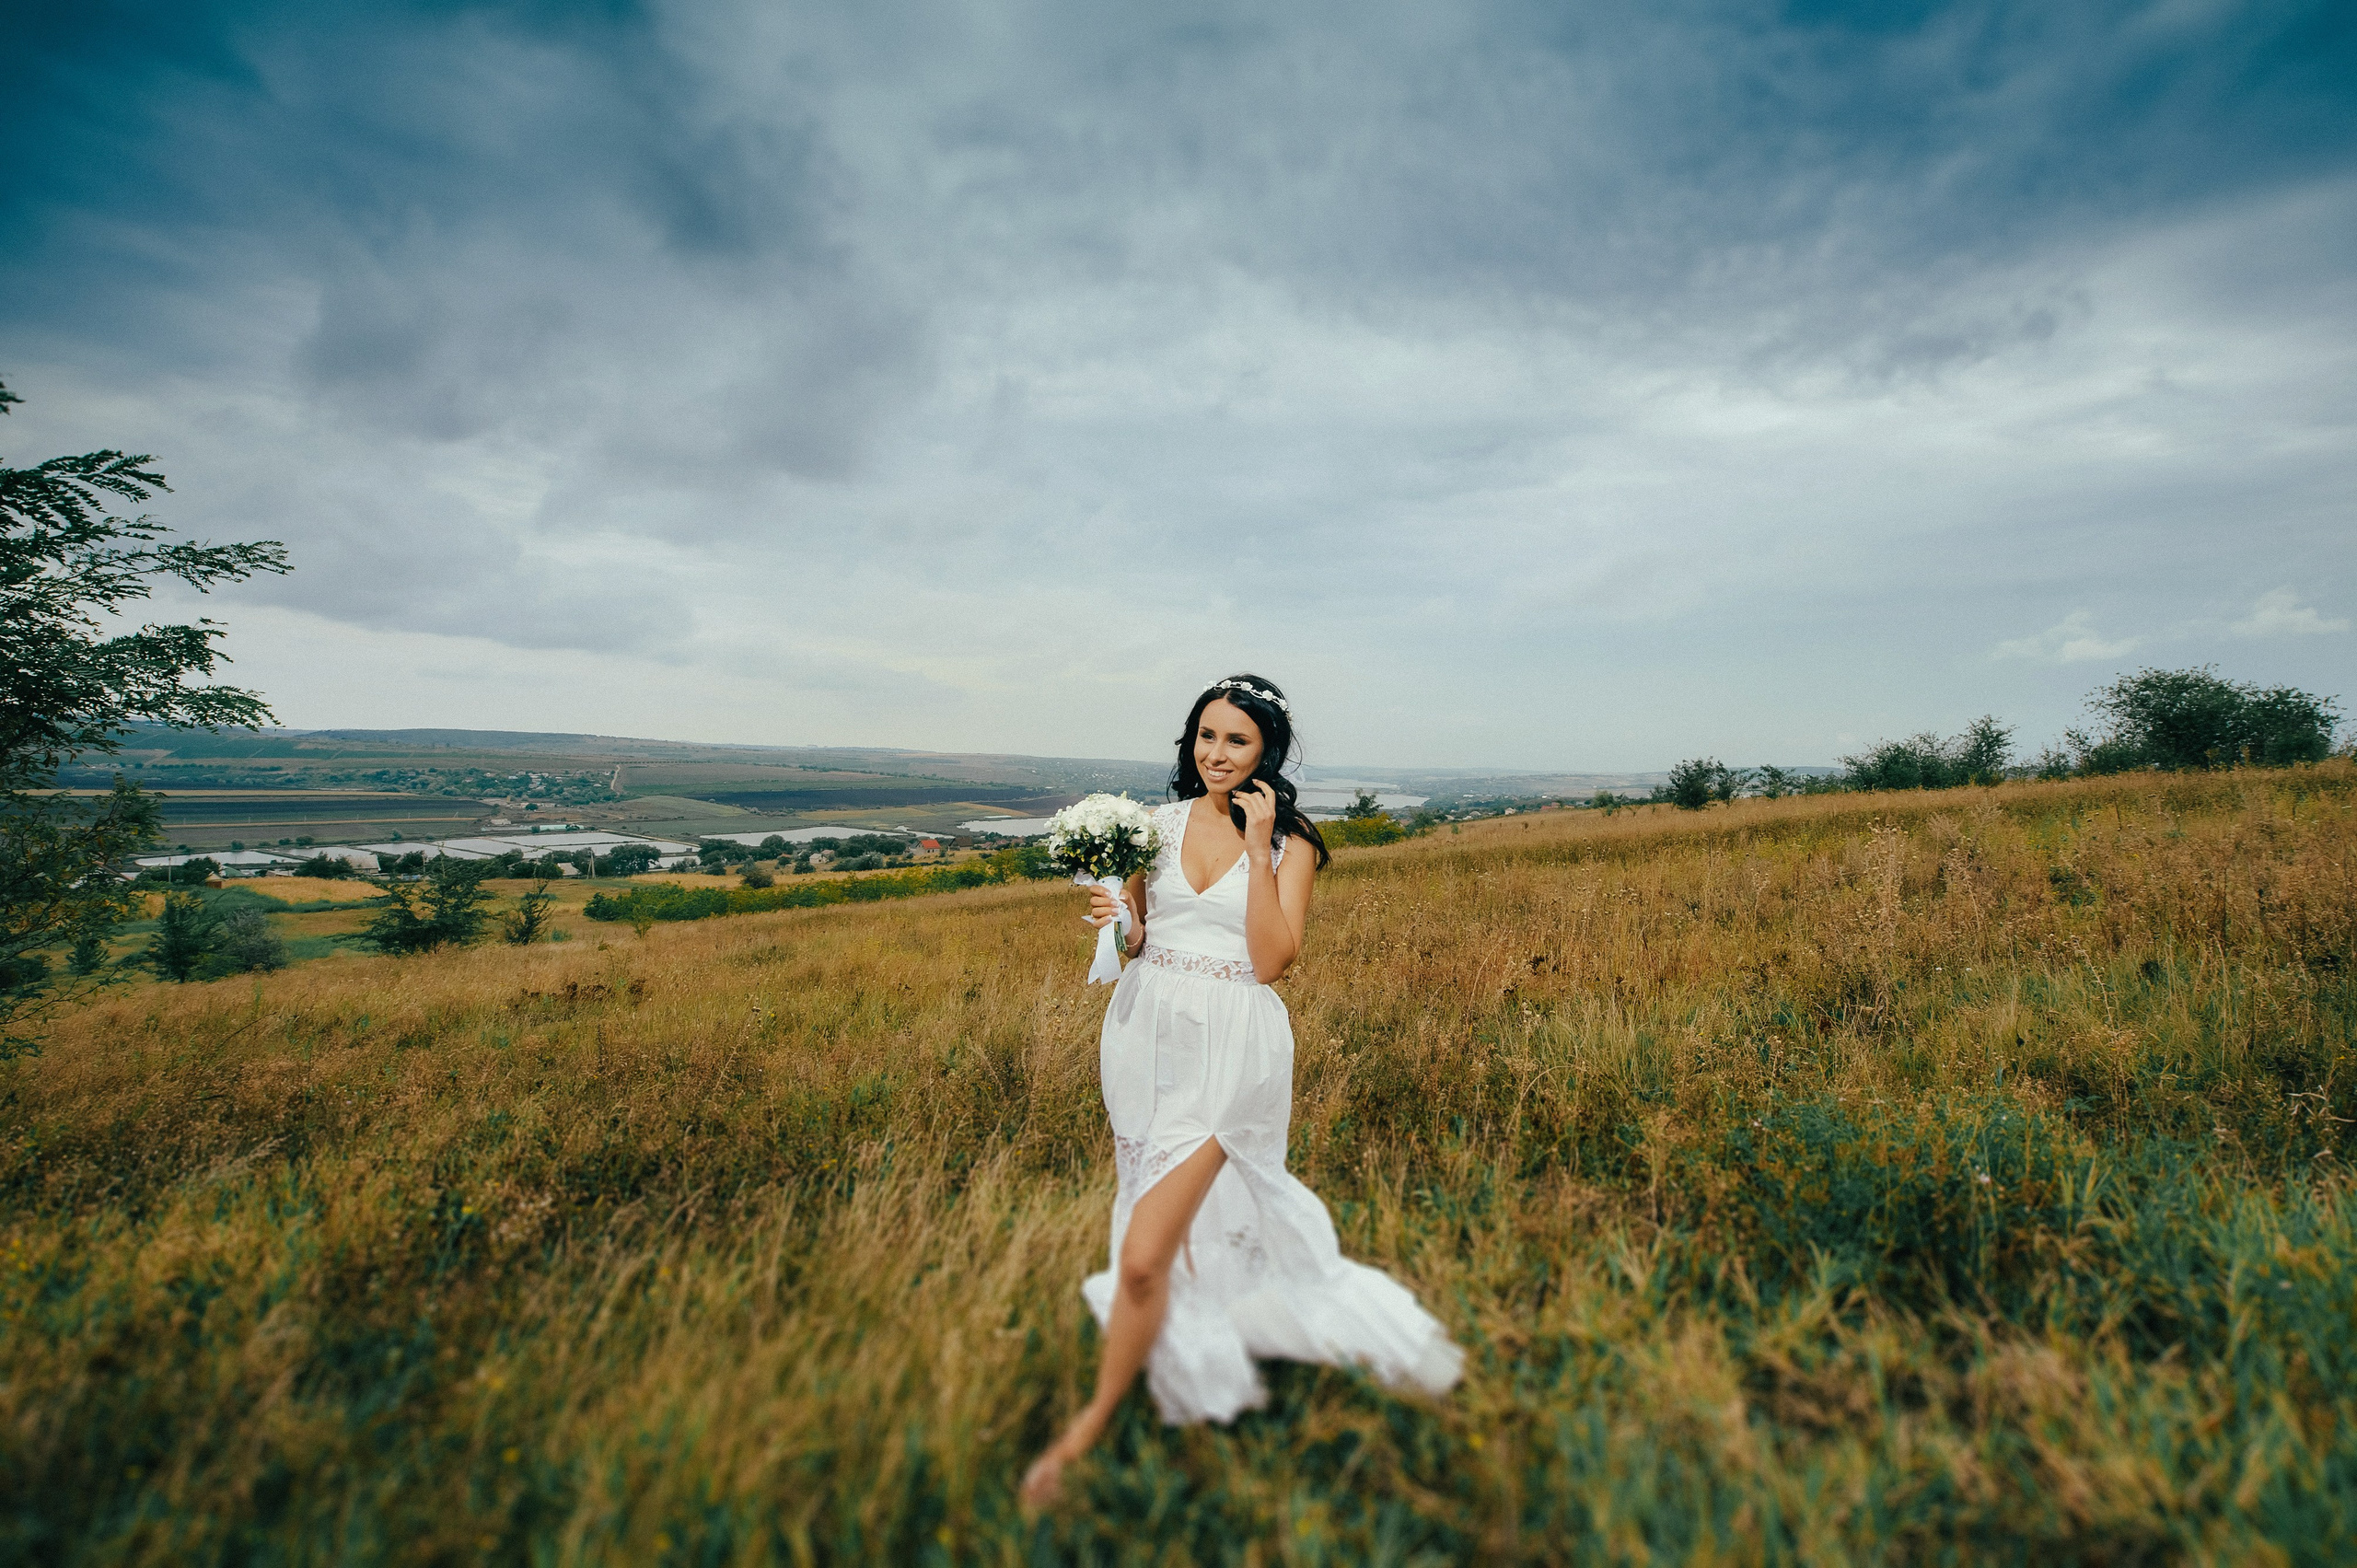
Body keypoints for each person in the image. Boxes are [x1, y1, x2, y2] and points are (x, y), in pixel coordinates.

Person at [1019, 675, 1463, 1509]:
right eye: (1206, 736)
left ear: (1268, 753)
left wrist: (1260, 844)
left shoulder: (1290, 842)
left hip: (1235, 1050)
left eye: (1237, 741)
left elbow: (1272, 960)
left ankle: (1083, 1433)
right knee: (1171, 1241)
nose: (1216, 754)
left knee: (1143, 1256)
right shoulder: (1153, 827)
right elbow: (1142, 938)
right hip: (1147, 1039)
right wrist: (1114, 915)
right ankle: (1191, 1353)